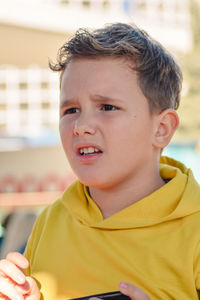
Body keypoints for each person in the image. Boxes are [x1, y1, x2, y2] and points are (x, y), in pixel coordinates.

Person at [0, 22, 200, 300]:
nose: (81, 126)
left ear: (162, 128)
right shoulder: (49, 222)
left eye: (107, 107)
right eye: (71, 109)